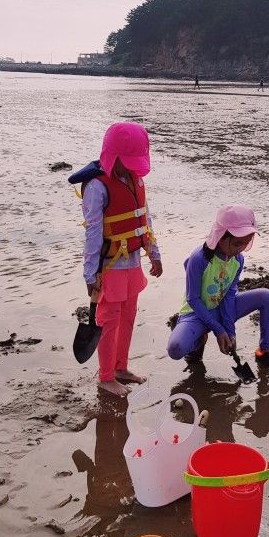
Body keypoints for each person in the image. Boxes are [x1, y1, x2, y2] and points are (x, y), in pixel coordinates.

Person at [78, 122, 163, 397]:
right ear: (111, 156)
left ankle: (120, 368)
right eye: (126, 161)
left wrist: (154, 252)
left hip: (133, 264)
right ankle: (105, 377)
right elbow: (92, 231)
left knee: (128, 317)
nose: (129, 167)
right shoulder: (96, 186)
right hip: (110, 266)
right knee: (109, 319)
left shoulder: (136, 181)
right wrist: (90, 274)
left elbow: (145, 219)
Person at [167, 205, 269, 372]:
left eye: (246, 243)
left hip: (223, 308)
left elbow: (229, 295)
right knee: (175, 349)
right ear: (221, 236)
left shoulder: (237, 260)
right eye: (237, 243)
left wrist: (230, 332)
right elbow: (193, 298)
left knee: (267, 297)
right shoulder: (199, 258)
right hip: (196, 313)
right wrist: (218, 330)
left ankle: (265, 351)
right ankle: (197, 341)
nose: (240, 249)